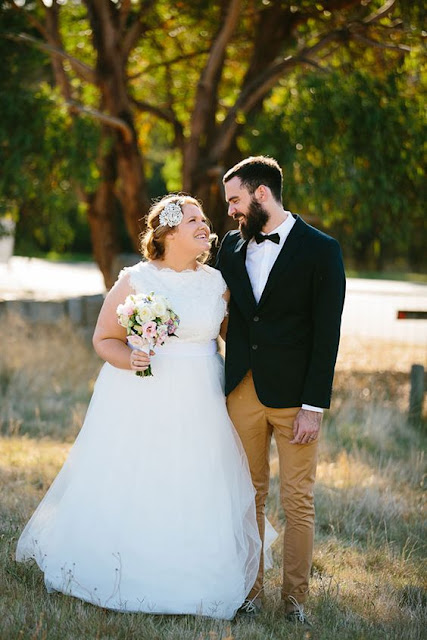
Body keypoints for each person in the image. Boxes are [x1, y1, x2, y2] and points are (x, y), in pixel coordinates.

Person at [16, 194, 262, 620]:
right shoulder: (135, 280)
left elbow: (236, 341)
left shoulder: (216, 283)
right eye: (193, 220)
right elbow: (103, 339)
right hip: (141, 396)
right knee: (141, 476)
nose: (205, 225)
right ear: (168, 232)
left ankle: (198, 575)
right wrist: (129, 358)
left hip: (202, 398)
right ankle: (124, 569)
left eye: (205, 219)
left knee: (198, 481)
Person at [216, 156, 346, 624]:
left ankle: (295, 602)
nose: (230, 210)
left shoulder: (321, 250)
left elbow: (326, 334)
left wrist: (314, 407)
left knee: (297, 499)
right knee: (246, 495)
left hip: (296, 400)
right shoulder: (229, 248)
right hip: (242, 393)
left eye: (235, 199)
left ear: (261, 194)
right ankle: (247, 592)